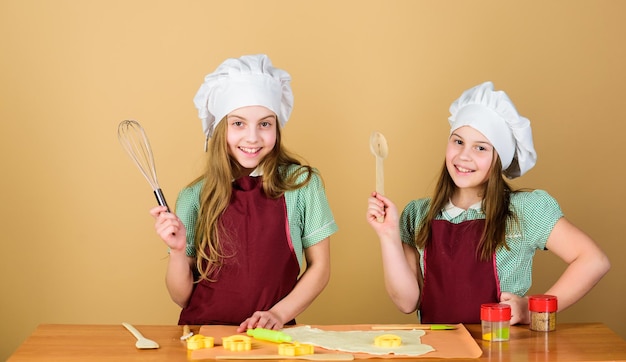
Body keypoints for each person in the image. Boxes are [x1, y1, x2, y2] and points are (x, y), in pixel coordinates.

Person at [366, 81, 610, 325]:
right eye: (458, 141)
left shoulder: (524, 210)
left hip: (503, 351)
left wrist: (532, 309)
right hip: (440, 351)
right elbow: (406, 302)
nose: (464, 156)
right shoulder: (416, 214)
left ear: (499, 159)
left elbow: (593, 261)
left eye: (480, 148)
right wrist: (388, 235)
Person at [151, 54, 338, 332]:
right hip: (205, 334)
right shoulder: (194, 196)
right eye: (238, 123)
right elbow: (182, 297)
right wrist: (178, 252)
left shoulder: (302, 184)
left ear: (277, 127)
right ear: (218, 130)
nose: (252, 137)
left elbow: (320, 267)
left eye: (265, 124)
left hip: (274, 334)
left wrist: (278, 314)